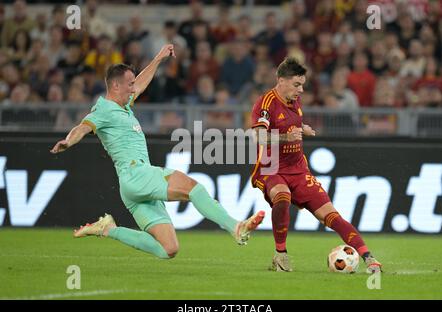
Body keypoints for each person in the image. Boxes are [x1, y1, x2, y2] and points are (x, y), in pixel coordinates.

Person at [50, 44, 265, 259]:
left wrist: (158, 58)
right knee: (194, 189)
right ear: (115, 85)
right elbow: (83, 127)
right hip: (138, 174)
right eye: (129, 84)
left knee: (168, 249)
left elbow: (142, 83)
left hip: (131, 187)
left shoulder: (122, 105)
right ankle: (235, 227)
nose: (134, 88)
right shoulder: (103, 110)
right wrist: (68, 142)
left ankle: (107, 229)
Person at [250, 57, 382, 273]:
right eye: (296, 84)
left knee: (331, 215)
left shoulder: (294, 101)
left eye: (302, 84)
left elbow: (290, 124)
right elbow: (259, 137)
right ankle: (281, 255)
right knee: (282, 196)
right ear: (281, 80)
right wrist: (286, 137)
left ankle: (370, 258)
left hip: (299, 170)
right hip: (271, 168)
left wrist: (303, 129)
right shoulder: (265, 103)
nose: (301, 89)